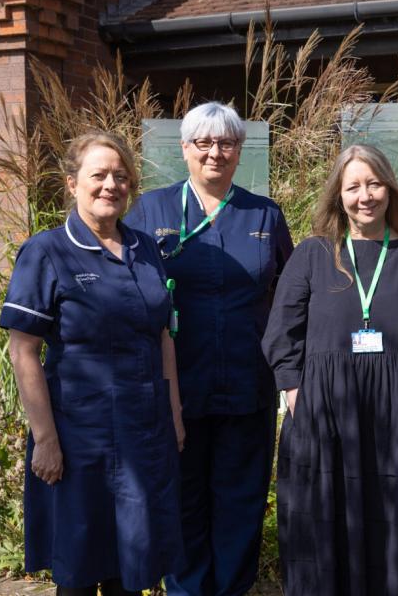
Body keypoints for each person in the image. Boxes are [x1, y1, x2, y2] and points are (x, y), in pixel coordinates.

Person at [262, 144, 398, 596]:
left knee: (396, 522)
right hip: (325, 414)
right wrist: (295, 393)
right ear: (338, 195)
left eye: (373, 184)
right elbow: (280, 334)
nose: (364, 196)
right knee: (326, 522)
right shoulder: (313, 254)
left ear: (390, 190)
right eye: (353, 186)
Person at [0, 132, 186, 596]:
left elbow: (163, 337)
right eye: (98, 175)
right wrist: (45, 440)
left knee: (132, 567)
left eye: (120, 177)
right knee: (81, 569)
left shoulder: (146, 249)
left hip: (145, 432)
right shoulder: (46, 252)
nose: (110, 185)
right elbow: (23, 349)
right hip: (80, 437)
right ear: (72, 183)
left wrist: (175, 417)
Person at [124, 101, 293, 596]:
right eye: (203, 142)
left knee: (241, 499)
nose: (214, 152)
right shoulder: (150, 211)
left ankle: (232, 589)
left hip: (247, 384)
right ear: (185, 149)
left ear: (240, 151)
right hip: (177, 388)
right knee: (184, 497)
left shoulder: (264, 213)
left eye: (226, 143)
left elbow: (286, 300)